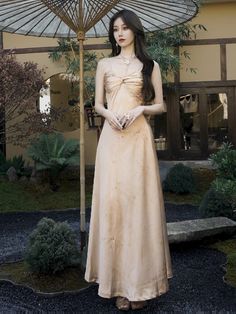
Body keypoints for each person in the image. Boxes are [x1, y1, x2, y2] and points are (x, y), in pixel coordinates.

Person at [84, 9, 173, 311]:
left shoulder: (150, 65)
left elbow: (160, 104)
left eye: (125, 28)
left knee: (138, 209)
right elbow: (97, 104)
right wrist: (109, 116)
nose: (119, 33)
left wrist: (140, 110)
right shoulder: (104, 64)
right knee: (113, 206)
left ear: (135, 31)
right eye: (115, 29)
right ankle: (118, 285)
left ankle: (141, 286)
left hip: (138, 140)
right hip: (111, 139)